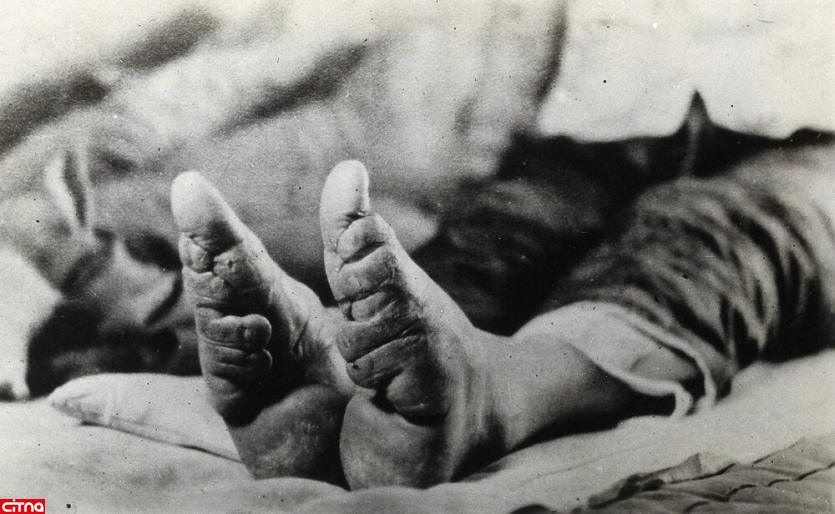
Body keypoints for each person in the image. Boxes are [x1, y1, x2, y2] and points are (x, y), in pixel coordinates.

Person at [170, 137, 835, 490]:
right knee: (503, 226)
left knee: (722, 231)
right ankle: (356, 389)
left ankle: (495, 394)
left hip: (813, 140)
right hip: (609, 125)